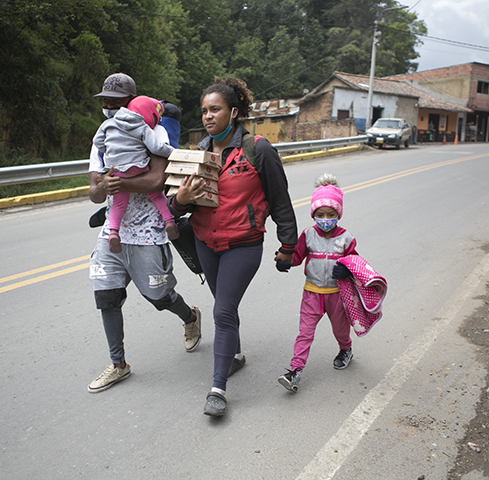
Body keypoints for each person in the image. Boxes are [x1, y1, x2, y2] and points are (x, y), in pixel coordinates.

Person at [169, 77, 298, 417]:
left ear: (234, 111)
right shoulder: (196, 154)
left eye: (215, 109)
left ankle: (218, 390)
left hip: (243, 244)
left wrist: (288, 245)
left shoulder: (258, 149)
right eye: (204, 111)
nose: (208, 116)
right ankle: (236, 355)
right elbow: (174, 207)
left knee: (223, 311)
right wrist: (180, 199)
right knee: (223, 302)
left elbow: (280, 200)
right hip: (205, 243)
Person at [87, 73, 201, 394]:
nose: (108, 109)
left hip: (150, 229)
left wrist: (118, 184)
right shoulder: (104, 135)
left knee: (159, 297)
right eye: (104, 103)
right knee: (106, 295)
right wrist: (103, 187)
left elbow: (154, 180)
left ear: (130, 103)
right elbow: (95, 191)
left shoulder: (154, 129)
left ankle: (190, 316)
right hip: (114, 230)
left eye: (114, 103)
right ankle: (118, 363)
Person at [276, 174, 357, 393]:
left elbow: (356, 264)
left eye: (330, 214)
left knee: (340, 330)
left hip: (337, 295)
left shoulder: (346, 238)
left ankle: (345, 349)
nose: (325, 218)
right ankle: (295, 371)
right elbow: (297, 257)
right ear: (314, 215)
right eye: (320, 214)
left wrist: (346, 269)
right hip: (312, 293)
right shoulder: (308, 235)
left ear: (338, 214)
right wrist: (285, 261)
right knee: (305, 333)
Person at [92, 95, 179, 253]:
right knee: (157, 196)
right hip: (138, 167)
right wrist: (175, 153)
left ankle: (113, 232)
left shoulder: (108, 124)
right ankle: (169, 222)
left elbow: (97, 142)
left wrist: (110, 150)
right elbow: (157, 148)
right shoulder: (142, 125)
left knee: (118, 205)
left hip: (117, 169)